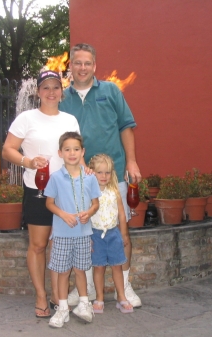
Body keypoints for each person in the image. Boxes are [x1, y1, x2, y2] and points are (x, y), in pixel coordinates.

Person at [59, 43, 142, 307]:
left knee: (120, 232)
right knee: (82, 235)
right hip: (79, 178)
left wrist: (131, 162)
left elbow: (126, 127)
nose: (82, 67)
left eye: (87, 63)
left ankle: (125, 285)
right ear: (70, 66)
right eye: (77, 63)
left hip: (113, 175)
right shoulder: (63, 98)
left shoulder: (111, 91)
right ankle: (84, 290)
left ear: (94, 66)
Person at [2, 70, 80, 319]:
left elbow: (77, 154)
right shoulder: (27, 118)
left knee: (61, 245)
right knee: (38, 245)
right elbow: (7, 150)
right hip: (37, 189)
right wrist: (27, 161)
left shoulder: (70, 120)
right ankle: (40, 295)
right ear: (38, 92)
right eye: (45, 87)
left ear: (61, 91)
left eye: (55, 87)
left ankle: (59, 296)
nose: (51, 92)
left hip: (65, 190)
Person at [45, 131, 101, 328]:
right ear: (60, 153)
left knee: (80, 270)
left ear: (82, 152)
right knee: (62, 272)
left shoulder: (90, 177)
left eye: (76, 149)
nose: (72, 153)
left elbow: (96, 203)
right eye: (67, 149)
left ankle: (84, 304)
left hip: (83, 233)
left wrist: (89, 212)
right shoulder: (56, 178)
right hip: (62, 234)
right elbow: (49, 203)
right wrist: (63, 214)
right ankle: (62, 308)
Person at [88, 154, 134, 314]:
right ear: (92, 172)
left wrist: (124, 234)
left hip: (113, 234)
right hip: (95, 234)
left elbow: (121, 214)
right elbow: (86, 216)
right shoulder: (89, 193)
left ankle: (121, 296)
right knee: (99, 268)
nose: (103, 176)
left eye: (107, 172)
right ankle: (99, 298)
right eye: (99, 172)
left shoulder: (114, 191)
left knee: (117, 266)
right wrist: (88, 237)